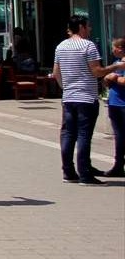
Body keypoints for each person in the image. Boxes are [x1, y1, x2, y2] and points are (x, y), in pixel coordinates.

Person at [53, 15, 124, 185]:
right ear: (81, 27)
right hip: (86, 97)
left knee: (69, 134)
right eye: (88, 26)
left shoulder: (61, 46)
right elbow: (97, 71)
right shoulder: (88, 46)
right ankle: (85, 173)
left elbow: (56, 72)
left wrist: (65, 88)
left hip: (69, 97)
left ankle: (68, 172)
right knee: (84, 134)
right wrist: (116, 67)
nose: (90, 29)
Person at [104, 37, 125, 178]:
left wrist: (114, 78)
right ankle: (118, 165)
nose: (112, 50)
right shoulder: (116, 64)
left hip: (123, 104)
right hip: (114, 103)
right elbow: (105, 80)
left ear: (120, 48)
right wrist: (108, 78)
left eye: (113, 47)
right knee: (119, 136)